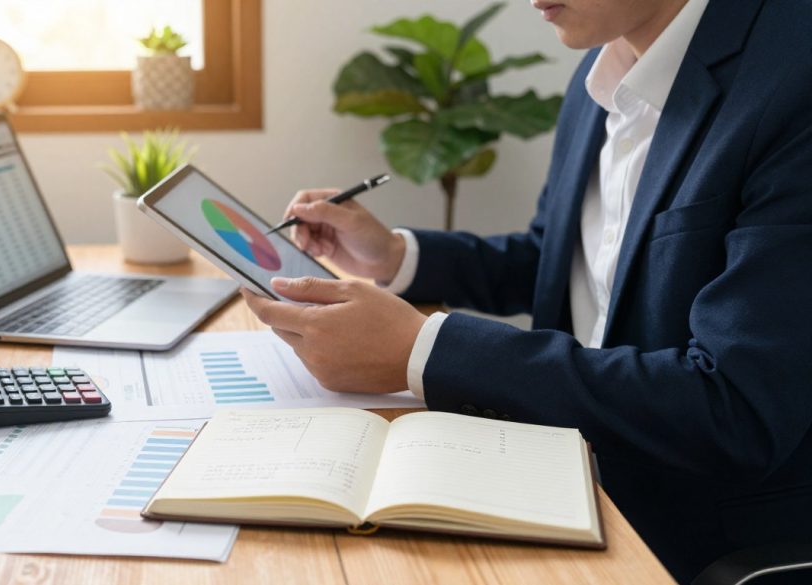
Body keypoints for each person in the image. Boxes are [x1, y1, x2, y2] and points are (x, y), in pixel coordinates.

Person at [242, 0, 812, 581]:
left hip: (688, 534)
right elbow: (562, 259)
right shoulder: (605, 63)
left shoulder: (794, 77)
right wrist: (394, 256)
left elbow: (735, 409)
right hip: (563, 472)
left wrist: (423, 349)